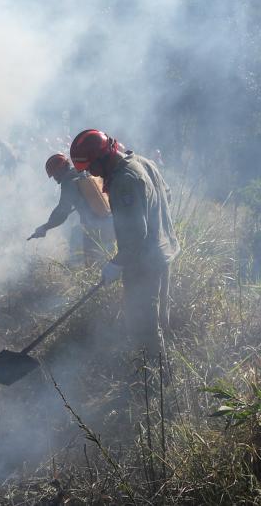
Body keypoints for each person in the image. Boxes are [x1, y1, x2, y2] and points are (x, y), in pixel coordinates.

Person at [69, 129, 179, 359]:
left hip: (145, 264)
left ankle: (151, 383)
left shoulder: (123, 181)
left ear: (102, 158)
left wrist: (116, 264)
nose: (90, 173)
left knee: (144, 325)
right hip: (163, 252)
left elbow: (136, 235)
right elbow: (166, 196)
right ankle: (164, 376)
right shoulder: (143, 162)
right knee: (160, 318)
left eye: (90, 167)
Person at [28, 152, 114, 265]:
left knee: (93, 262)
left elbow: (62, 211)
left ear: (59, 170)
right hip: (111, 220)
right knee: (110, 256)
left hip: (96, 228)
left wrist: (45, 227)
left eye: (54, 175)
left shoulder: (69, 182)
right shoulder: (84, 172)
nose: (54, 178)